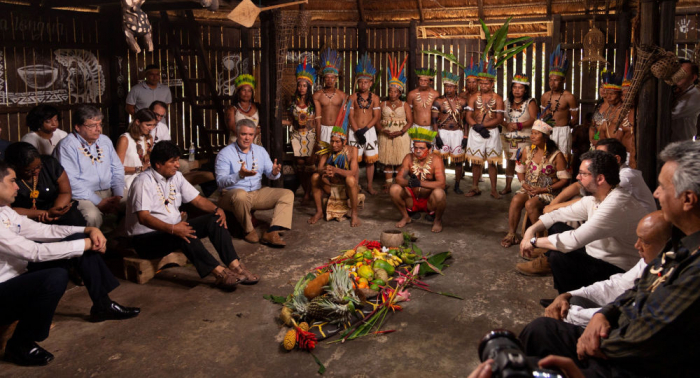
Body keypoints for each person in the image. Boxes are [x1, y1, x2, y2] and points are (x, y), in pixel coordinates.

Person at [519, 140, 700, 377]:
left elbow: (645, 337)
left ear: (687, 199)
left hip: (630, 361)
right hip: (619, 327)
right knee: (540, 329)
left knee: (543, 326)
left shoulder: (694, 270)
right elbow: (634, 286)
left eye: (663, 188)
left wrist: (593, 336)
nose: (655, 194)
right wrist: (603, 312)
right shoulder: (679, 245)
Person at [0, 161, 139, 366]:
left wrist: (86, 231)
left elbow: (43, 231)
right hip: (4, 289)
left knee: (77, 245)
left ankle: (102, 304)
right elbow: (34, 251)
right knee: (55, 277)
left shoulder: (5, 211)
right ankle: (20, 343)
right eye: (12, 181)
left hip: (19, 275)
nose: (17, 186)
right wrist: (83, 243)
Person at [127, 141, 258, 291]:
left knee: (214, 219)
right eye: (173, 161)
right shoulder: (143, 182)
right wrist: (173, 228)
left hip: (171, 230)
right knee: (183, 233)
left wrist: (217, 209)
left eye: (177, 160)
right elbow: (143, 218)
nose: (177, 165)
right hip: (146, 240)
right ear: (158, 164)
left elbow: (197, 200)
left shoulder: (176, 177)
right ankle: (219, 273)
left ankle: (235, 266)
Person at [517, 150, 649, 292]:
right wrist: (530, 231)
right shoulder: (596, 197)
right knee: (557, 226)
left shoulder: (616, 204)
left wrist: (533, 242)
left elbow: (574, 240)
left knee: (559, 256)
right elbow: (558, 214)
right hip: (596, 254)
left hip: (618, 270)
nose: (578, 177)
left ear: (600, 179)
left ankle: (572, 301)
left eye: (583, 174)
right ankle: (568, 296)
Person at [544, 211, 671, 327]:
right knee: (574, 299)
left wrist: (570, 313)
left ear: (668, 244)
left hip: (631, 331)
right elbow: (619, 285)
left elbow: (630, 316)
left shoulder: (672, 275)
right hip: (602, 263)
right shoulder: (649, 260)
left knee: (541, 329)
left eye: (646, 242)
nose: (637, 245)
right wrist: (568, 295)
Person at [215, 119, 291, 247]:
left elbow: (271, 175)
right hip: (231, 195)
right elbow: (220, 182)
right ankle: (248, 230)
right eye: (243, 134)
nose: (247, 138)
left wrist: (274, 172)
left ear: (254, 135)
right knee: (240, 194)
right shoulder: (225, 154)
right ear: (237, 134)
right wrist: (239, 175)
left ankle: (272, 232)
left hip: (256, 192)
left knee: (287, 194)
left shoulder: (260, 151)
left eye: (250, 135)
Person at [54, 106, 125, 229]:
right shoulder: (67, 146)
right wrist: (98, 202)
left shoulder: (105, 141)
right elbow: (70, 182)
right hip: (82, 195)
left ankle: (118, 241)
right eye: (92, 126)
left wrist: (118, 195)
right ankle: (93, 247)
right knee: (92, 216)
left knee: (135, 203)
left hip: (110, 191)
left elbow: (117, 169)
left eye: (100, 125)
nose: (98, 129)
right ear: (77, 127)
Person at [500, 121, 569, 248]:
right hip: (529, 189)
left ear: (545, 137)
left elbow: (564, 180)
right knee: (516, 200)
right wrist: (523, 184)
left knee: (530, 204)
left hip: (549, 192)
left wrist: (543, 189)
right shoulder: (527, 151)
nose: (532, 136)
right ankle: (512, 234)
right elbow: (520, 170)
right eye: (531, 133)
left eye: (536, 134)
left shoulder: (556, 155)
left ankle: (539, 239)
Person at [544, 138, 656, 215]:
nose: (595, 160)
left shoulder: (625, 177)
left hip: (638, 230)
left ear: (617, 159)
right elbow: (578, 185)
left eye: (600, 156)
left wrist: (554, 208)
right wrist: (553, 204)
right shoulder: (605, 171)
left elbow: (592, 200)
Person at [4, 142, 85, 226]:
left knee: (74, 219)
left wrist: (57, 210)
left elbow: (65, 192)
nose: (36, 171)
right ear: (15, 168)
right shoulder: (7, 176)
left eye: (39, 166)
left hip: (54, 207)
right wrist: (43, 213)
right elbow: (8, 209)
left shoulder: (50, 164)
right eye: (29, 171)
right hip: (24, 215)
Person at [389, 127, 446, 233]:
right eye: (415, 148)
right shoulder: (408, 157)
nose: (418, 151)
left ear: (429, 149)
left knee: (440, 193)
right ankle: (406, 217)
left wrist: (420, 183)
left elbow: (442, 184)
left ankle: (437, 220)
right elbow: (398, 178)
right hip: (412, 199)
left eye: (421, 148)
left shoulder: (436, 160)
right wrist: (409, 182)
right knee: (394, 188)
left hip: (429, 201)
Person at [465, 59, 504, 199]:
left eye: (486, 83)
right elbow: (468, 115)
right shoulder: (474, 97)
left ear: (492, 84)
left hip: (492, 133)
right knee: (476, 161)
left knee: (492, 162)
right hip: (476, 132)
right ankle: (475, 187)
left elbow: (499, 119)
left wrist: (484, 126)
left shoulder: (498, 98)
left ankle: (493, 189)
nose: (483, 85)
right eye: (481, 83)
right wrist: (476, 126)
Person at [307, 125, 361, 227]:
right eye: (332, 141)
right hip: (330, 187)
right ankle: (319, 211)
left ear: (344, 142)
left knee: (350, 179)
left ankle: (354, 214)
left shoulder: (352, 150)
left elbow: (353, 172)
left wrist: (336, 170)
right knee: (315, 177)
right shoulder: (328, 150)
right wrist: (325, 170)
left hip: (346, 189)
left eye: (337, 142)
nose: (334, 144)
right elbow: (319, 168)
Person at [377, 55, 412, 193]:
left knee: (399, 159)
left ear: (400, 92)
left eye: (395, 91)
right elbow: (377, 120)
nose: (392, 93)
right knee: (387, 159)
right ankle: (387, 183)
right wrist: (382, 130)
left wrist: (401, 131)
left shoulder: (405, 105)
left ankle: (398, 181)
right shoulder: (382, 104)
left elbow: (410, 121)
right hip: (386, 134)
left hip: (401, 135)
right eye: (390, 91)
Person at [540, 44, 579, 162]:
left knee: (563, 158)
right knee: (547, 157)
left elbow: (575, 119)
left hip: (563, 131)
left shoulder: (569, 97)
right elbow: (543, 115)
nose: (552, 83)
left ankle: (564, 179)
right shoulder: (545, 96)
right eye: (550, 80)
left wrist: (564, 128)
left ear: (563, 80)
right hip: (549, 130)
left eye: (556, 80)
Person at [348, 53, 380, 195]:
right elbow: (349, 115)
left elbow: (376, 116)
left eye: (366, 82)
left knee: (370, 161)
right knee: (354, 160)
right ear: (357, 82)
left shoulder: (375, 98)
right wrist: (357, 131)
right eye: (361, 82)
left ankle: (370, 185)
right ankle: (354, 185)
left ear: (371, 83)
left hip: (370, 131)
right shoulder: (353, 97)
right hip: (354, 131)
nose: (363, 84)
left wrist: (365, 129)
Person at [500, 74, 538, 195]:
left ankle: (525, 188)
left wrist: (519, 125)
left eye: (520, 88)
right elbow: (498, 117)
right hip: (508, 138)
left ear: (525, 89)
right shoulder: (506, 102)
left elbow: (533, 119)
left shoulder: (530, 102)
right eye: (515, 87)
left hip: (524, 138)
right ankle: (507, 186)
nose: (517, 90)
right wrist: (506, 124)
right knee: (509, 162)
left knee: (524, 162)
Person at [285, 58, 317, 203]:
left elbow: (316, 121)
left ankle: (310, 191)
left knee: (310, 164)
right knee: (300, 164)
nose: (301, 88)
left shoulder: (313, 103)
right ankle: (305, 190)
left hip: (310, 135)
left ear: (308, 87)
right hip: (297, 135)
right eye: (300, 85)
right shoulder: (293, 103)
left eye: (304, 86)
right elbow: (291, 120)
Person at [590, 70, 636, 167]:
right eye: (607, 93)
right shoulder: (606, 110)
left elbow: (620, 136)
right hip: (608, 151)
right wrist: (595, 140)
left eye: (612, 94)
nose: (608, 97)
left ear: (619, 95)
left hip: (621, 154)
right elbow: (597, 129)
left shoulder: (624, 112)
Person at [432, 71, 467, 194]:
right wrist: (437, 136)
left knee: (458, 161)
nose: (449, 89)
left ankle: (457, 185)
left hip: (457, 133)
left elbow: (466, 120)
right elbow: (434, 120)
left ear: (456, 87)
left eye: (451, 86)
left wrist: (465, 136)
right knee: (440, 161)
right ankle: (442, 185)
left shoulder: (462, 101)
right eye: (446, 86)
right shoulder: (439, 101)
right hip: (443, 132)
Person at [313, 48, 348, 145]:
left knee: (336, 157)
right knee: (324, 156)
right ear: (323, 79)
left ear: (336, 79)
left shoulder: (342, 95)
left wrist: (345, 134)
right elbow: (318, 117)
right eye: (327, 77)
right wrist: (318, 137)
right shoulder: (317, 95)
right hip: (324, 128)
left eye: (332, 77)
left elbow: (345, 117)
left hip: (338, 129)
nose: (329, 80)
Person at [116, 108, 156, 194]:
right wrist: (140, 169)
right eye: (148, 125)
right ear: (137, 122)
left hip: (146, 179)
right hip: (130, 181)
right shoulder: (125, 139)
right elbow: (118, 169)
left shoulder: (149, 139)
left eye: (154, 125)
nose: (151, 128)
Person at [225, 74, 261, 146]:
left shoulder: (257, 107)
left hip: (254, 145)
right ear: (238, 92)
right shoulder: (232, 109)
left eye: (249, 91)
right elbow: (233, 128)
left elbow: (262, 126)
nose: (246, 93)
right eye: (243, 90)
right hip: (236, 146)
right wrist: (253, 132)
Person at [670, 59, 700, 142]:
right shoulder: (675, 91)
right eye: (677, 72)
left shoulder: (696, 95)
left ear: (693, 77)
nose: (678, 75)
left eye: (683, 73)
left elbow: (671, 114)